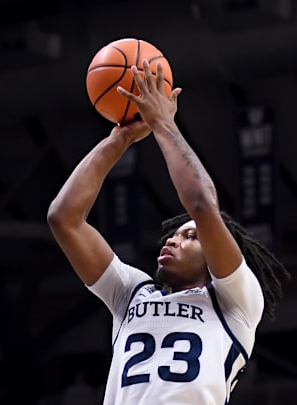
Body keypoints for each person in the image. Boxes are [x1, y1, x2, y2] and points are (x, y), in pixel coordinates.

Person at [46, 60, 289, 404]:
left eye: (191, 236)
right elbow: (63, 218)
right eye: (174, 235)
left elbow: (202, 206)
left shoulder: (236, 301)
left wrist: (163, 122)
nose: (175, 238)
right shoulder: (132, 294)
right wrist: (120, 138)